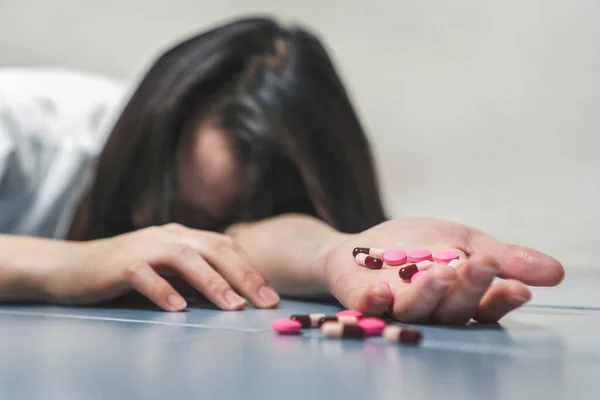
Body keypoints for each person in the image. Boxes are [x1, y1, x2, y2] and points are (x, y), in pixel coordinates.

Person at [0, 17, 564, 324]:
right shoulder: (21, 122)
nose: (178, 241)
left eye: (218, 225)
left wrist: (336, 251)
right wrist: (68, 264)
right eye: (177, 213)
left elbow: (244, 244)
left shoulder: (241, 231)